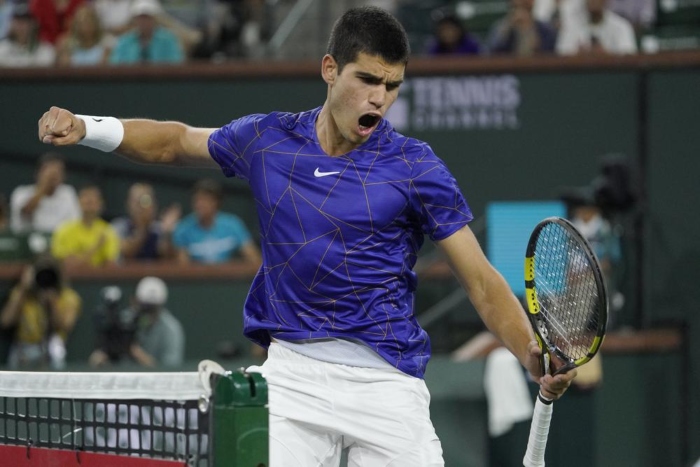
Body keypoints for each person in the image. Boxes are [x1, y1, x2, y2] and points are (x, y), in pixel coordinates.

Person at [37, 6, 575, 465]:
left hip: (388, 385)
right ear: (329, 69)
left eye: (391, 86)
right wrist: (88, 127)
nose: (379, 99)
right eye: (366, 80)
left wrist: (526, 345)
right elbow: (174, 142)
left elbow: (480, 281)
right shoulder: (268, 141)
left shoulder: (417, 167)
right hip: (293, 377)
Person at [0, 254, 81, 369]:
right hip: (24, 349)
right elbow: (6, 321)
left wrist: (52, 302)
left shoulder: (68, 297)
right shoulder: (22, 294)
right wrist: (24, 288)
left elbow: (65, 326)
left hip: (53, 349)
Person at [89, 276, 185, 368]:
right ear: (135, 302)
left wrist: (137, 353)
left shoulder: (171, 329)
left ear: (161, 306)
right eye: (144, 307)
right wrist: (102, 360)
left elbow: (171, 371)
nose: (148, 314)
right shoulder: (122, 321)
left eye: (153, 309)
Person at [172, 178, 260, 265]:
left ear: (216, 202)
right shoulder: (183, 228)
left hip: (228, 276)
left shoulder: (233, 224)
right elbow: (182, 267)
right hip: (197, 278)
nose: (200, 204)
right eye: (197, 200)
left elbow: (253, 258)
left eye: (206, 200)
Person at [51, 184, 120, 267]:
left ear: (100, 204)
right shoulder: (65, 229)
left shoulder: (108, 231)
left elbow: (110, 265)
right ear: (78, 202)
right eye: (86, 199)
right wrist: (96, 247)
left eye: (93, 200)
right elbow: (68, 264)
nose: (89, 203)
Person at [10, 152, 80, 234]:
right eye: (48, 169)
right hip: (27, 241)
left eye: (59, 170)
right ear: (38, 173)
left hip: (59, 242)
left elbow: (74, 224)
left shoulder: (68, 192)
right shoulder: (21, 192)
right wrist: (43, 187)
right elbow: (25, 213)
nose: (54, 174)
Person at [111, 182, 181, 261]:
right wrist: (143, 228)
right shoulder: (119, 226)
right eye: (137, 202)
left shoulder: (159, 228)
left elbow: (168, 256)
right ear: (128, 204)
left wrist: (168, 233)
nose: (141, 206)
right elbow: (125, 253)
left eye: (146, 201)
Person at [109, 0, 184, 65]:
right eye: (141, 17)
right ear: (135, 19)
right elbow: (115, 65)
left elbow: (176, 63)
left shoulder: (168, 40)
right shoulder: (124, 41)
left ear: (155, 18)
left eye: (147, 17)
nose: (144, 21)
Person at [556, 0, 637, 55]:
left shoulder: (621, 27)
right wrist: (578, 56)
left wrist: (606, 56)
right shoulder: (571, 27)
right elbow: (561, 56)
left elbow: (628, 58)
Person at [487, 0, 558, 56]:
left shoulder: (546, 30)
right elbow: (492, 53)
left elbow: (548, 55)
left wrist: (528, 31)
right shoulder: (501, 27)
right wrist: (507, 30)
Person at [0, 2, 55, 67]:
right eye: (18, 22)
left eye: (26, 22)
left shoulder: (45, 50)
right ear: (11, 24)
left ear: (34, 24)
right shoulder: (3, 48)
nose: (22, 26)